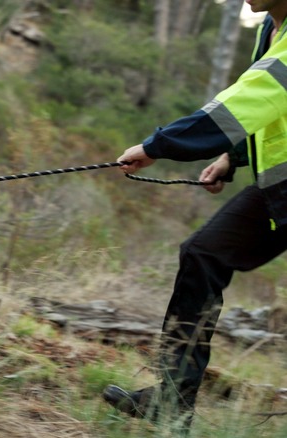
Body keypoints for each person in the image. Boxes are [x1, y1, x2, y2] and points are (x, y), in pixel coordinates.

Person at [102, 0, 287, 430]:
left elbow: (246, 102)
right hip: (280, 190)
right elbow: (270, 111)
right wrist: (232, 157)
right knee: (203, 254)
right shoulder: (271, 28)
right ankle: (172, 400)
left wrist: (157, 145)